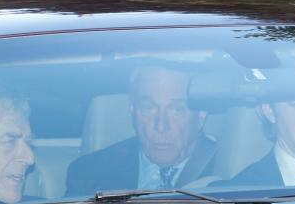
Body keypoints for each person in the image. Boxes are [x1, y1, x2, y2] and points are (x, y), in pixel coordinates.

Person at [66, 63, 216, 196]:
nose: (161, 126)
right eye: (149, 108)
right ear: (132, 108)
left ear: (201, 114)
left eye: (177, 110)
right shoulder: (90, 174)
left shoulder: (230, 176)